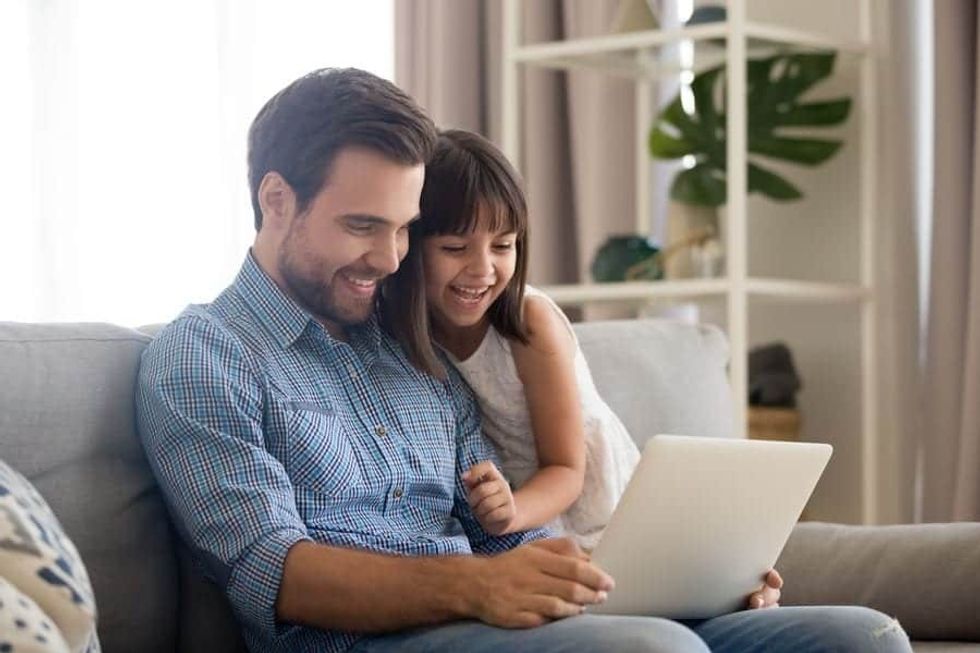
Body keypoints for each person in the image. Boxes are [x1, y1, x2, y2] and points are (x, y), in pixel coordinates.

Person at [136, 67, 912, 653]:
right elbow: (275, 570)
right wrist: (476, 583)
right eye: (363, 224)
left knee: (858, 635)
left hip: (492, 609)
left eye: (405, 228)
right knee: (656, 649)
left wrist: (676, 578)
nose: (389, 256)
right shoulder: (206, 356)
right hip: (377, 639)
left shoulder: (409, 346)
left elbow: (500, 529)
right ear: (276, 200)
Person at [382, 129, 640, 551]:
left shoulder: (529, 323)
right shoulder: (401, 330)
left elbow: (566, 469)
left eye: (503, 245)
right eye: (455, 247)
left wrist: (510, 514)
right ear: (410, 245)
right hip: (515, 518)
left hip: (598, 509)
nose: (483, 269)